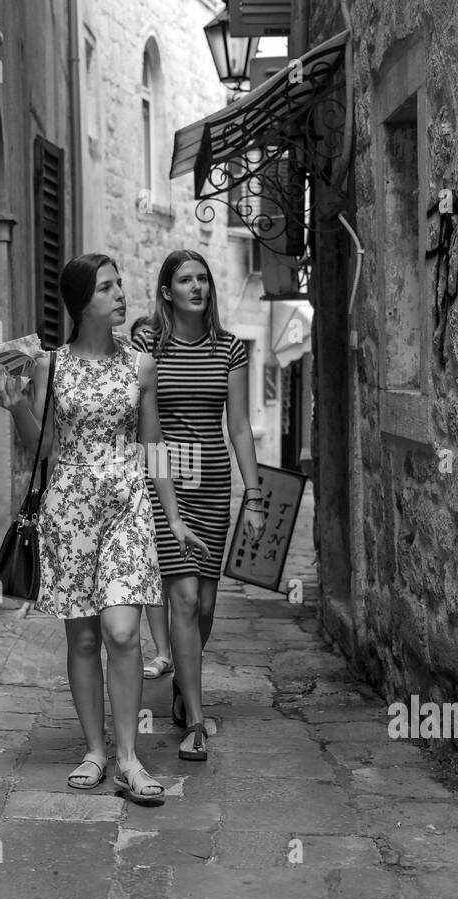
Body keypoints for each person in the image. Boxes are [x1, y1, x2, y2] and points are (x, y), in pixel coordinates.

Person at [0, 254, 207, 804]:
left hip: (128, 505)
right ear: (81, 300)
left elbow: (152, 447)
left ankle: (130, 760)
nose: (120, 294)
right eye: (107, 287)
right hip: (69, 511)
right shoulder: (51, 366)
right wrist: (16, 408)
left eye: (119, 285)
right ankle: (94, 749)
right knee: (84, 636)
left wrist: (174, 518)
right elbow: (43, 445)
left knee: (123, 632)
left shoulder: (140, 366)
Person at [132, 249, 266, 762]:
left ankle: (184, 679)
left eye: (203, 279)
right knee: (183, 599)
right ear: (167, 292)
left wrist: (253, 497)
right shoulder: (149, 344)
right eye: (185, 280)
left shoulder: (229, 350)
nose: (197, 287)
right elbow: (144, 422)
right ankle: (195, 718)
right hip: (162, 479)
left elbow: (238, 428)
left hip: (211, 484)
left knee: (205, 607)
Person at [130, 314, 174, 684]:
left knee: (169, 574)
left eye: (152, 339)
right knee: (150, 570)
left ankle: (175, 650)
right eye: (139, 339)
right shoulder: (131, 372)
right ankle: (163, 651)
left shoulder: (167, 369)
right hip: (136, 476)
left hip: (175, 468)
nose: (146, 344)